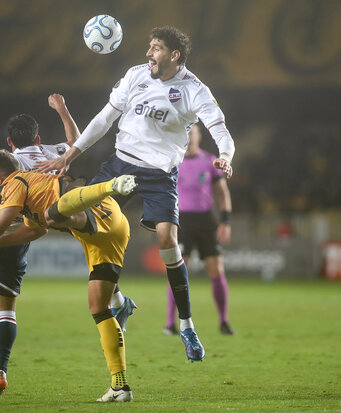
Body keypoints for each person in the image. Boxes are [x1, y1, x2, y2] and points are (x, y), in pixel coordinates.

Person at [0, 95, 137, 395]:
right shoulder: (51, 154)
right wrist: (63, 110)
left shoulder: (12, 175)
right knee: (60, 229)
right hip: (102, 226)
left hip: (22, 225)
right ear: (38, 139)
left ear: (8, 145)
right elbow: (76, 143)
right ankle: (117, 371)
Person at [36, 26, 236, 362]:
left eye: (155, 48)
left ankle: (186, 326)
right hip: (120, 165)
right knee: (82, 224)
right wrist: (71, 154)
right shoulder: (135, 75)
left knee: (168, 242)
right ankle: (118, 301)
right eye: (149, 46)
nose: (148, 53)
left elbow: (221, 131)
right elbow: (104, 119)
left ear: (174, 55)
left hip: (160, 174)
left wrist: (226, 156)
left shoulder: (194, 90)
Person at [164, 122, 235, 337]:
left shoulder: (209, 161)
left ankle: (224, 321)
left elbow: (222, 192)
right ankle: (170, 323)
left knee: (217, 270)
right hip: (181, 221)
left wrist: (225, 221)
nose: (188, 137)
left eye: (192, 132)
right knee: (178, 270)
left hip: (206, 221)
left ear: (199, 136)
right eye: (185, 132)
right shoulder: (172, 160)